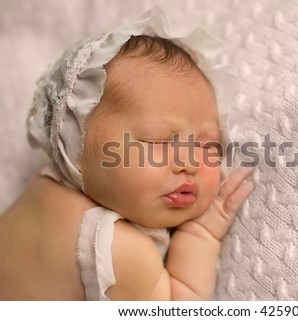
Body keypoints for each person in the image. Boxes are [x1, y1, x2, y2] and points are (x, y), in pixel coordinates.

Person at [0, 8, 254, 300]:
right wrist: (202, 235)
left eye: (208, 145)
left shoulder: (41, 188)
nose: (190, 162)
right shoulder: (120, 253)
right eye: (159, 142)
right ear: (77, 148)